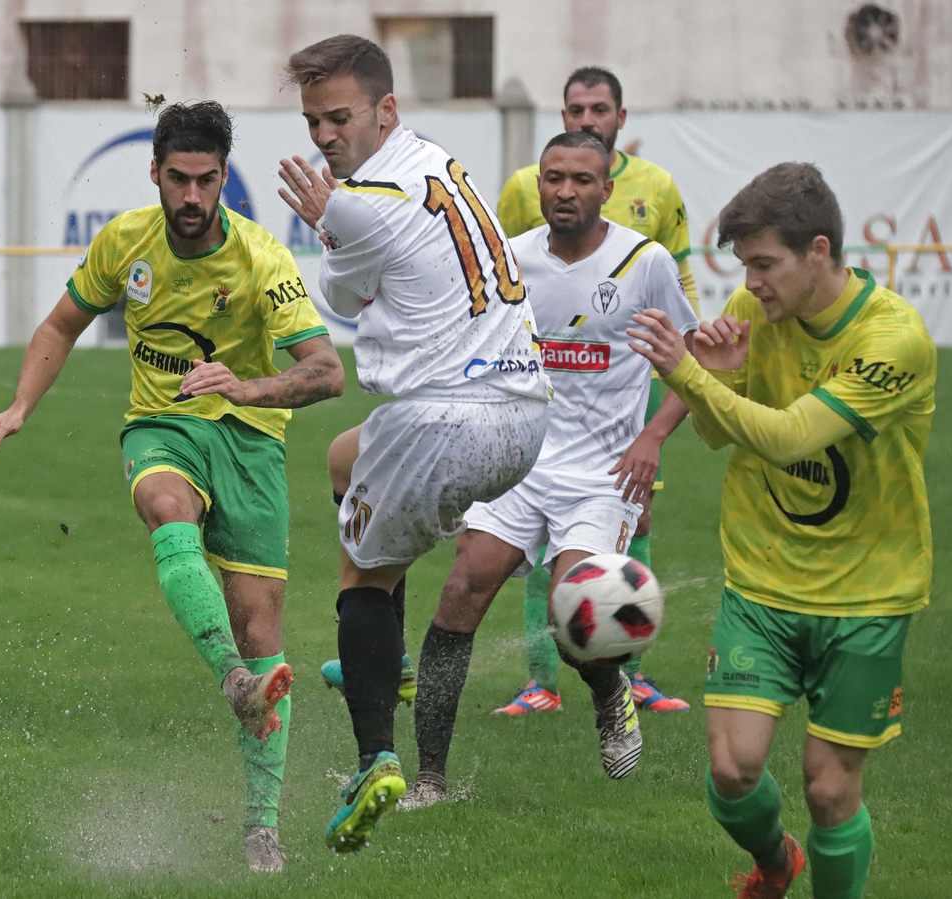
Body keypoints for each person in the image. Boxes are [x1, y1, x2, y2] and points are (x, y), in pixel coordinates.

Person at [0, 101, 345, 874]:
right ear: (155, 173)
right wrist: (18, 406)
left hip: (249, 444)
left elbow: (326, 372)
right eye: (177, 178)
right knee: (164, 508)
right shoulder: (125, 243)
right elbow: (58, 326)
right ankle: (235, 682)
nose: (191, 196)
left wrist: (246, 386)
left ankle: (261, 827)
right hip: (163, 426)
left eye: (206, 180)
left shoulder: (262, 258)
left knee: (260, 626)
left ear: (223, 180)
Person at [628, 162, 935, 899]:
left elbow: (794, 436)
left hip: (868, 592)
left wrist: (686, 373)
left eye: (766, 264)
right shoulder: (752, 309)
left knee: (830, 790)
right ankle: (775, 864)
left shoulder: (893, 338)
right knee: (732, 772)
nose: (753, 282)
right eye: (746, 266)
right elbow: (713, 433)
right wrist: (717, 375)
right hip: (762, 581)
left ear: (819, 251)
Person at [277, 34, 549, 852]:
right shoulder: (432, 162)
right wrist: (339, 222)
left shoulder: (356, 200)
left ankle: (374, 760)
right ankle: (392, 663)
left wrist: (329, 223)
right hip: (524, 413)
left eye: (340, 117)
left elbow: (341, 291)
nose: (325, 136)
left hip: (442, 416)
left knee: (361, 573)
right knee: (342, 458)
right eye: (313, 121)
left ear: (385, 109)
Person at [401, 131, 700, 809]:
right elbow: (474, 349)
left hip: (602, 476)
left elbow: (692, 364)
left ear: (606, 189)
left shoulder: (644, 263)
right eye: (554, 178)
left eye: (581, 180)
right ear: (538, 185)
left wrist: (652, 436)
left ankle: (608, 691)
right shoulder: (514, 259)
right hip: (519, 462)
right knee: (460, 591)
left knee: (576, 620)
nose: (566, 191)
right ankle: (430, 779)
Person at [494, 66, 699, 715]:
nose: (587, 118)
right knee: (540, 537)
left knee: (634, 518)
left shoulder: (658, 188)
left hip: (621, 386)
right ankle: (541, 679)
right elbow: (502, 276)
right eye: (576, 108)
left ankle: (629, 672)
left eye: (599, 108)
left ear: (620, 117)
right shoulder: (526, 188)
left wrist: (679, 367)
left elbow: (677, 283)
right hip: (542, 396)